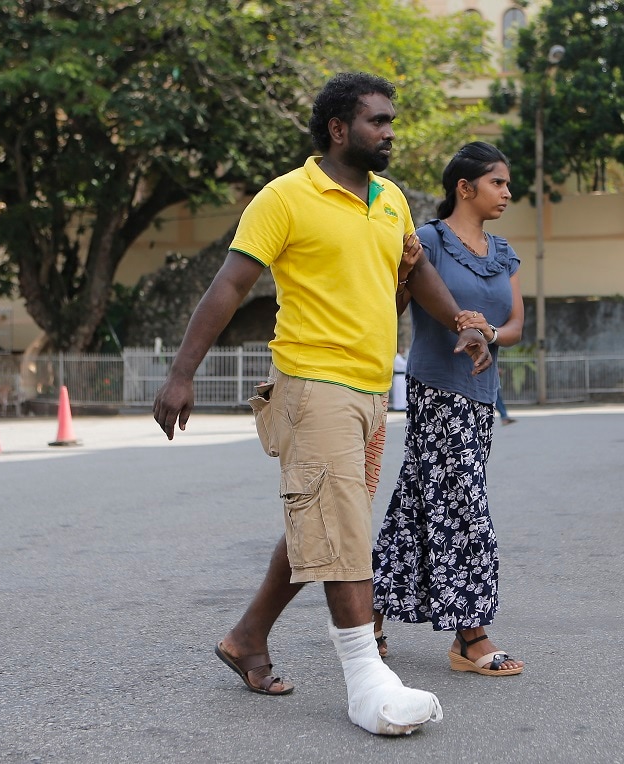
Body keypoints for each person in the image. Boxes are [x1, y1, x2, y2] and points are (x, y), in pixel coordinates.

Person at [151, 72, 492, 736]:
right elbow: (229, 284)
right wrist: (180, 375)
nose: (390, 131)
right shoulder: (285, 198)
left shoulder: (389, 199)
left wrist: (460, 324)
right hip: (313, 385)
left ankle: (247, 636)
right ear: (339, 129)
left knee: (326, 521)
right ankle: (368, 683)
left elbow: (414, 270)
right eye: (377, 121)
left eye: (392, 120)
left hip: (369, 391)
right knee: (340, 527)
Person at [372, 141, 526, 677]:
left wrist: (487, 329)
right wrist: (400, 274)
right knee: (463, 502)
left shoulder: (503, 252)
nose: (507, 192)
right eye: (497, 183)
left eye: (508, 183)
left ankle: (370, 607)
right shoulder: (429, 242)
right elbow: (392, 308)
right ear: (465, 187)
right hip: (437, 390)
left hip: (481, 395)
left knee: (419, 498)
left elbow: (515, 325)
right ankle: (471, 634)